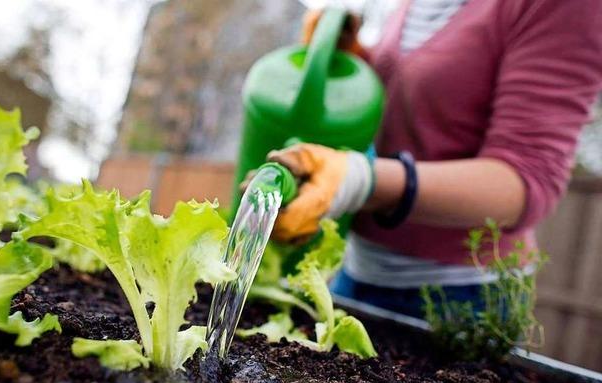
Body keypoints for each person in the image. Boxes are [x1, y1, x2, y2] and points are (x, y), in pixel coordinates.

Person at [254, 0, 602, 318]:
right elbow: (427, 101)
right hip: (357, 271)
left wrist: (362, 181)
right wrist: (357, 61)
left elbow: (527, 179)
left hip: (458, 301)